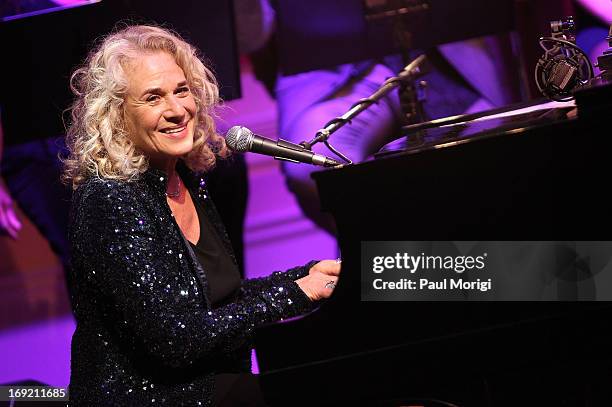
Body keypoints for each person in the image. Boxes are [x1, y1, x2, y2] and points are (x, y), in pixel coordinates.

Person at [63, 25, 341, 406]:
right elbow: (176, 337)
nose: (177, 110)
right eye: (153, 98)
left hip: (212, 385)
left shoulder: (183, 178)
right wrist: (294, 294)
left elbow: (224, 300)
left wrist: (307, 275)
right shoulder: (109, 199)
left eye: (182, 91)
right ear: (116, 114)